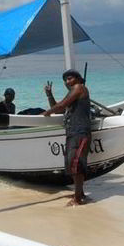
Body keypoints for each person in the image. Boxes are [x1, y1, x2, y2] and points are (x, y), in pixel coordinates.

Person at [43, 69, 92, 206]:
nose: (67, 82)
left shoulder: (79, 88)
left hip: (80, 131)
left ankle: (77, 199)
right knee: (73, 164)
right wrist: (49, 95)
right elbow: (58, 108)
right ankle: (80, 194)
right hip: (73, 132)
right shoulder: (72, 93)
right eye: (65, 80)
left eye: (70, 78)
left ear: (78, 79)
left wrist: (46, 113)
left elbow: (60, 106)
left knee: (76, 165)